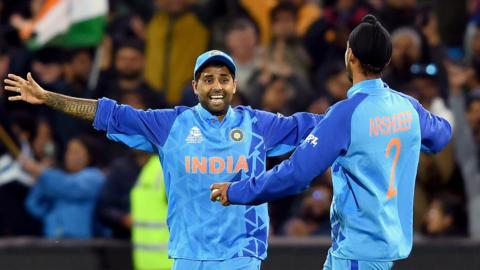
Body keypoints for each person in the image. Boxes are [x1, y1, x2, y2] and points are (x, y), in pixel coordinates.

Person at [4, 50, 323, 269]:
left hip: (240, 254)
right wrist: (49, 98)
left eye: (224, 78)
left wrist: (364, 110)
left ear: (234, 85)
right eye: (208, 79)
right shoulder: (170, 125)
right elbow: (109, 114)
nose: (217, 86)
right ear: (195, 85)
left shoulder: (258, 124)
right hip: (187, 254)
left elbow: (312, 126)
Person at [211, 15, 452, 270]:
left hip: (357, 254)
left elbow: (296, 174)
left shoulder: (345, 114)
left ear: (350, 55)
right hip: (386, 250)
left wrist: (237, 191)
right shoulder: (408, 108)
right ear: (387, 60)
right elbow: (442, 135)